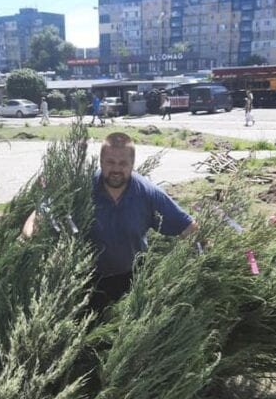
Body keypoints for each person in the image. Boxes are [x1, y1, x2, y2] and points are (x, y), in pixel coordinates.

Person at [21, 132, 197, 308]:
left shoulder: (148, 194)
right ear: (101, 162)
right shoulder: (80, 188)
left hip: (132, 277)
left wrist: (203, 253)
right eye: (110, 162)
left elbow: (188, 226)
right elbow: (39, 213)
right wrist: (31, 235)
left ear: (132, 165)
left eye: (123, 163)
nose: (116, 169)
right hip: (85, 281)